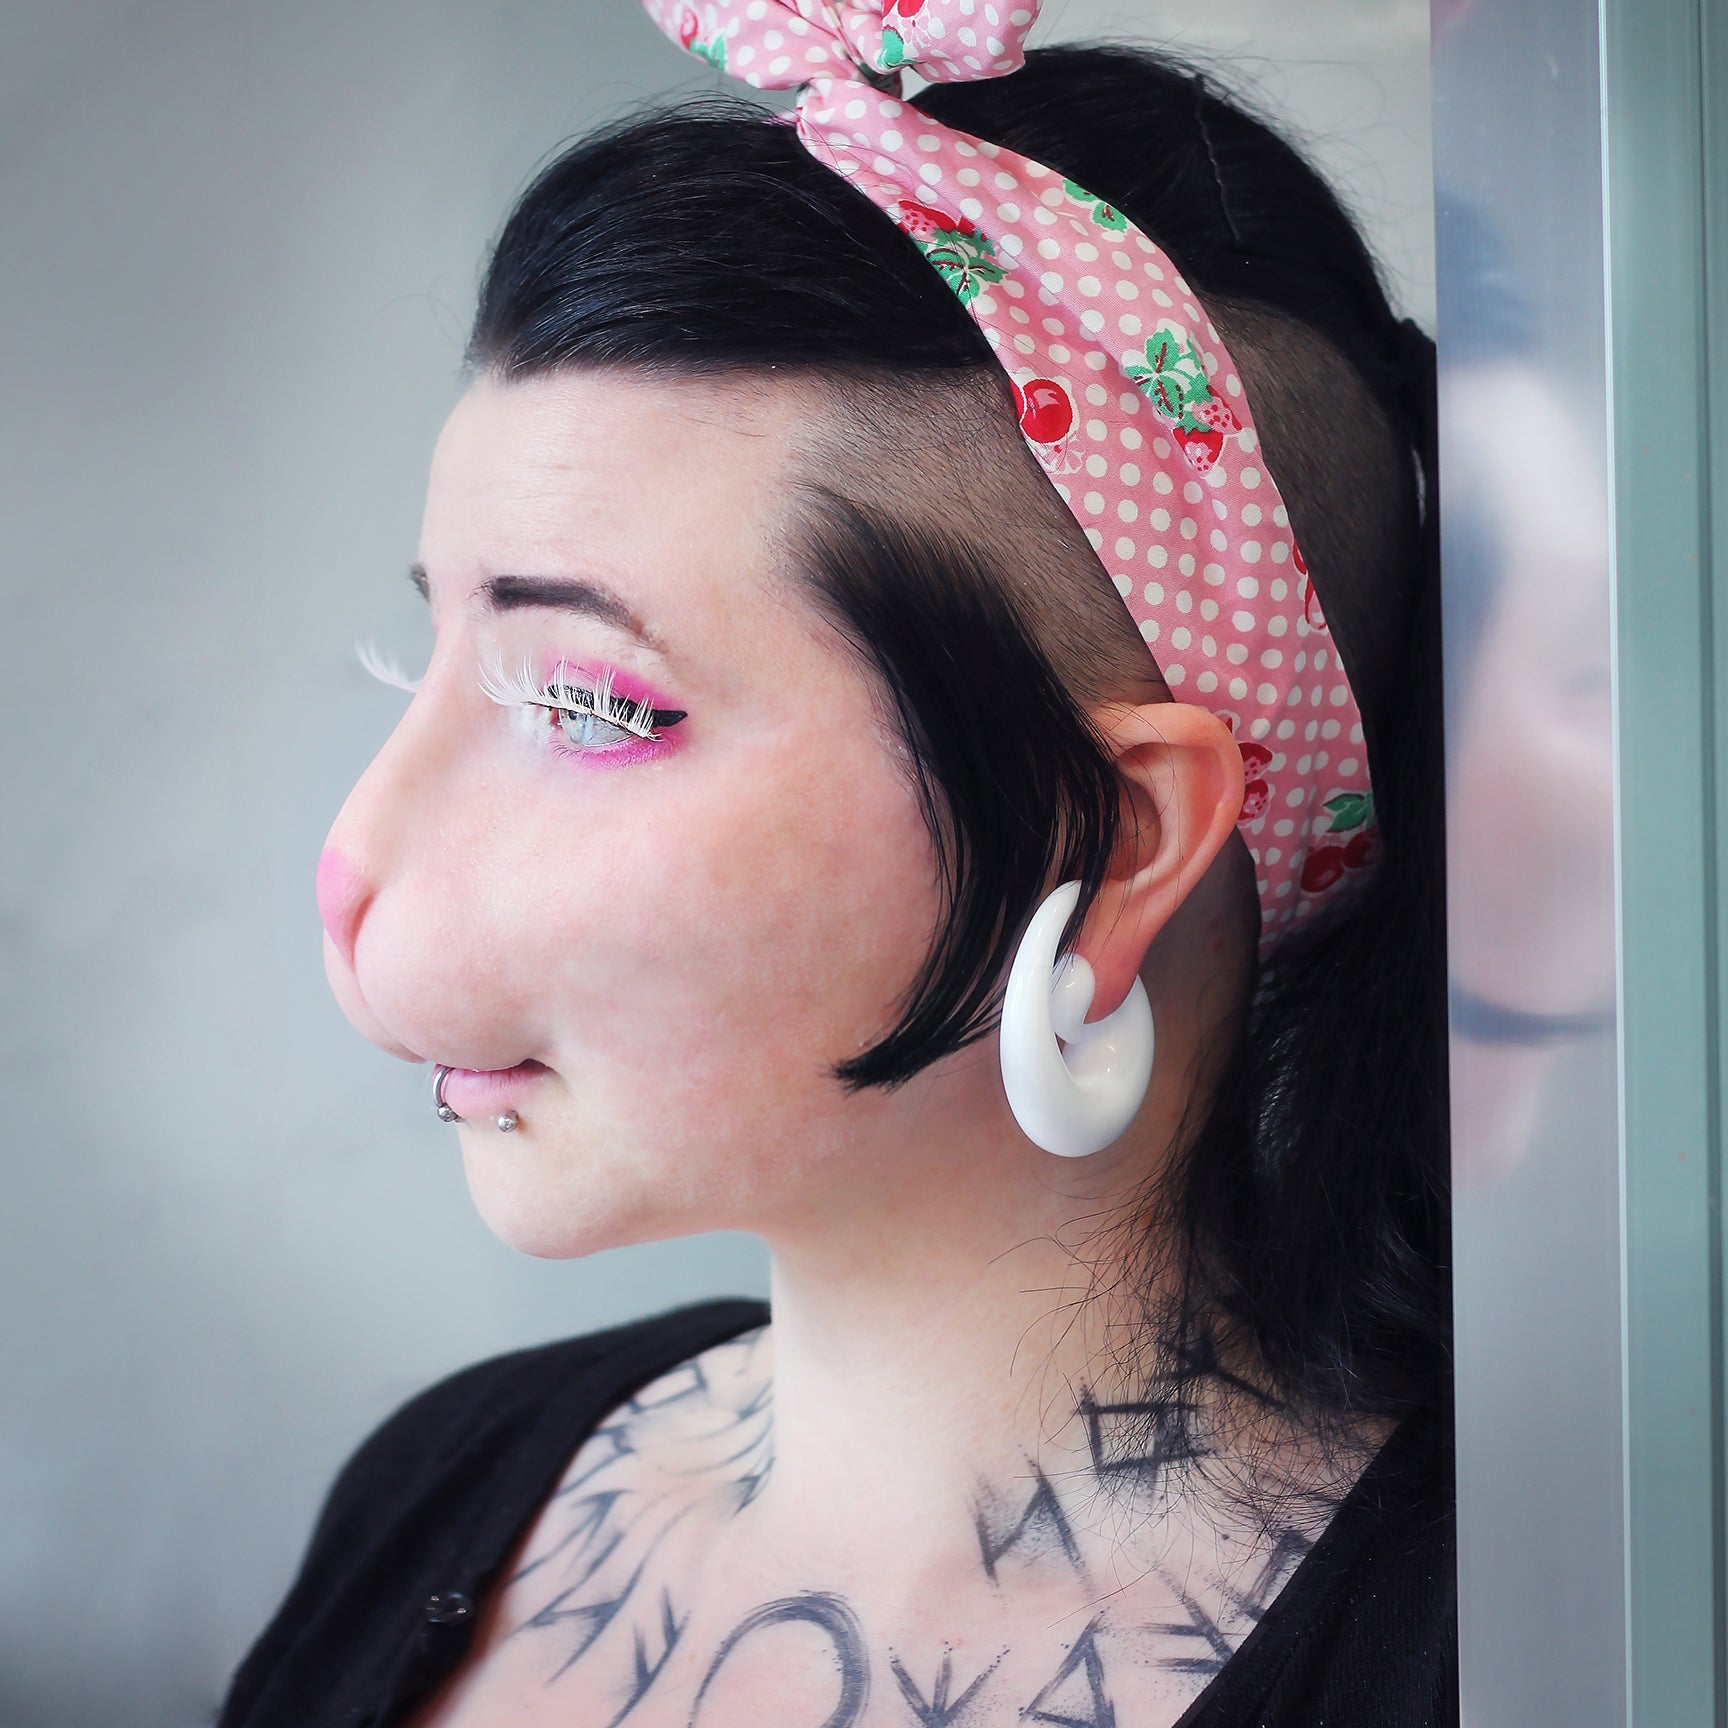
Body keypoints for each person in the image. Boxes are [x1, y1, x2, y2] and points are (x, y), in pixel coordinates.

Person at [221, 4, 1452, 1724]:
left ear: (1113, 843)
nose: (360, 860)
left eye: (583, 700)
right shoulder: (447, 1477)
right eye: (414, 658)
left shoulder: (1507, 1651)